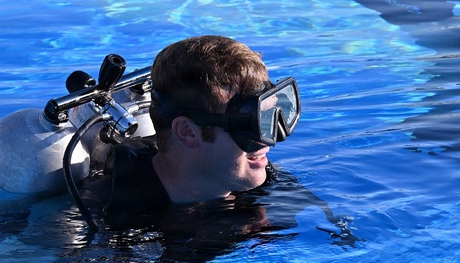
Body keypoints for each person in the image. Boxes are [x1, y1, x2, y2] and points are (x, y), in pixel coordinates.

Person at [82, 34, 301, 226]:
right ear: (188, 131)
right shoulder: (102, 217)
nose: (268, 140)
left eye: (268, 116)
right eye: (251, 123)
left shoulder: (259, 175)